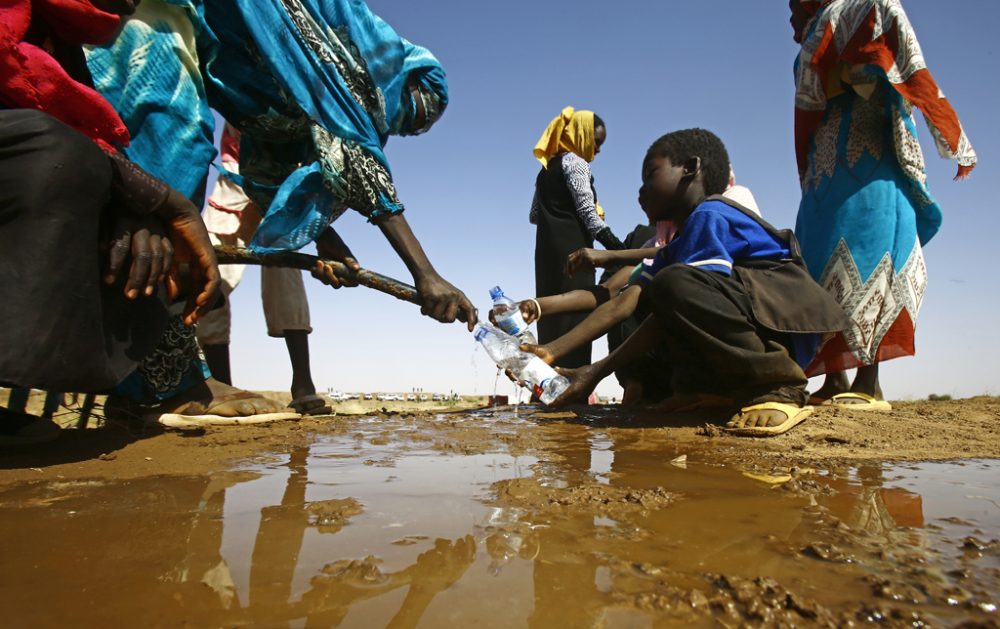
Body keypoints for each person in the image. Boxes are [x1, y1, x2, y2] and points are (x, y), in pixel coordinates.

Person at [0, 0, 291, 444]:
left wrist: (139, 197)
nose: (132, 4)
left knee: (118, 181)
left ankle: (158, 375)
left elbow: (69, 116)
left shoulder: (56, 39)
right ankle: (161, 380)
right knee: (61, 159)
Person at [546, 129, 848, 436]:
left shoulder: (712, 213)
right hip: (754, 318)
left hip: (784, 326)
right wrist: (549, 351)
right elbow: (623, 303)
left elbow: (681, 300)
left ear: (690, 168)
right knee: (652, 297)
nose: (641, 189)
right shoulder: (679, 243)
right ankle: (713, 389)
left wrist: (597, 372)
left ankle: (779, 385)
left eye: (651, 174)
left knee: (673, 286)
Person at [790, 0, 976, 409]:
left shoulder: (861, 9)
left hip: (871, 164)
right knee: (817, 265)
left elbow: (894, 65)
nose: (791, 19)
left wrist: (849, 71)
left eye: (794, 8)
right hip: (825, 174)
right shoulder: (814, 39)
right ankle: (833, 379)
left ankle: (868, 381)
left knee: (871, 258)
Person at [196, 124, 330, 415]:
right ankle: (222, 386)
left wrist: (320, 232)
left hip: (283, 184)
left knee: (284, 266)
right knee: (208, 273)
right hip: (234, 177)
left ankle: (303, 385)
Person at [530, 107, 624, 369]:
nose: (598, 150)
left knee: (549, 313)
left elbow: (534, 215)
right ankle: (571, 380)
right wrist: (619, 249)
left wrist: (555, 211)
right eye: (596, 142)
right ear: (581, 135)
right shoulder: (576, 163)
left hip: (546, 252)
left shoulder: (544, 170)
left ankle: (549, 379)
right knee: (577, 315)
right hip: (574, 251)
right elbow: (588, 214)